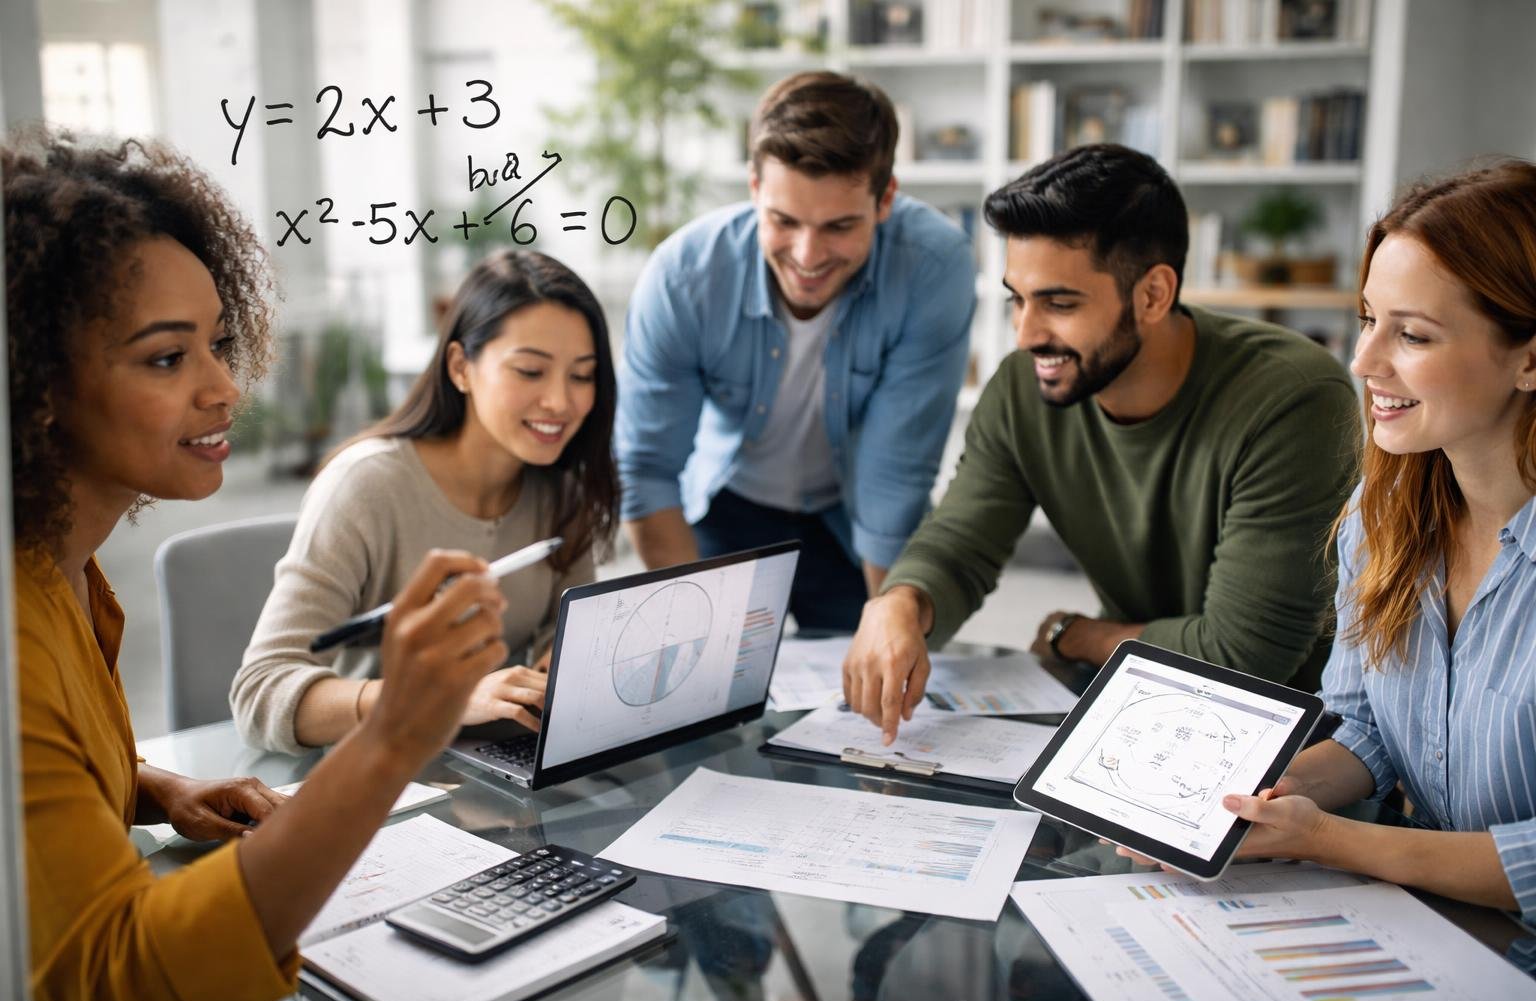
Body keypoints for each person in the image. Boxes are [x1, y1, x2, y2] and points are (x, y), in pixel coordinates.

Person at [5, 127, 515, 1001]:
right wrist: (393, 734)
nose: (224, 387)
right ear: (34, 388)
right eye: (168, 357)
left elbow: (47, 783)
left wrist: (152, 786)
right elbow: (120, 981)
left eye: (217, 342)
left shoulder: (66, 572)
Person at [844, 144, 1360, 743]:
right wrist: (901, 602)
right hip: (1136, 700)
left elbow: (1240, 658)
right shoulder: (1024, 390)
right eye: (1018, 298)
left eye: (1059, 303)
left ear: (1152, 295)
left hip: (1294, 746)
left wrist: (1077, 633)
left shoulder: (1293, 398)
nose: (1027, 333)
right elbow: (961, 543)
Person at [1132, 161, 1536, 921]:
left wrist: (1329, 841)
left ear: (1530, 357)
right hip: (1436, 925)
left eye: (1412, 334)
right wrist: (1246, 806)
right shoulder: (1379, 514)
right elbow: (1370, 728)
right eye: (1367, 319)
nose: (1363, 362)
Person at [615, 70, 976, 632]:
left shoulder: (934, 266)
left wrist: (892, 634)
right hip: (724, 503)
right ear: (755, 188)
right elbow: (648, 468)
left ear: (885, 200)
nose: (807, 256)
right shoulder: (683, 276)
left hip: (851, 514)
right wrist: (686, 630)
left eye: (838, 226)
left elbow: (895, 476)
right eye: (784, 221)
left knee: (874, 680)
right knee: (707, 688)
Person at [232, 249, 617, 754]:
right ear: (460, 367)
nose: (561, 402)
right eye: (529, 371)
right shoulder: (366, 486)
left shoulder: (562, 488)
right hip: (369, 782)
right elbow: (261, 693)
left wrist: (558, 661)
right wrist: (441, 699)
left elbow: (560, 632)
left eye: (582, 375)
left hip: (491, 775)